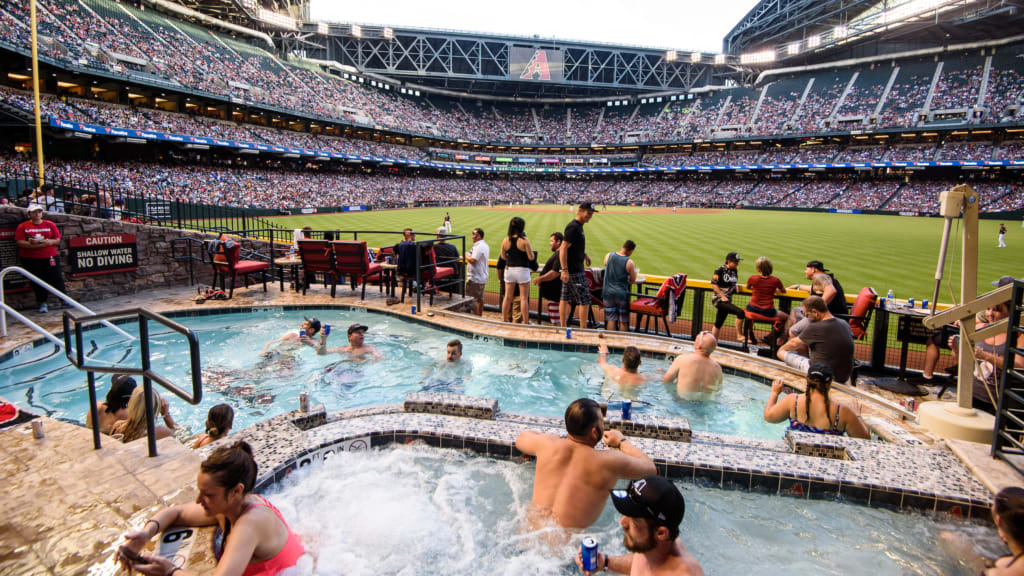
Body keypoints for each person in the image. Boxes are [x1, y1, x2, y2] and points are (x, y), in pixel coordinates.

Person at [117, 441, 304, 576]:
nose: (199, 500)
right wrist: (146, 533)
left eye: (208, 494)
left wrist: (170, 571)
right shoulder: (229, 508)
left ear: (236, 491)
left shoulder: (251, 523)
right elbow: (177, 512)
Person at [515, 398, 656, 530]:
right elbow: (651, 470)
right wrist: (621, 441)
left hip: (528, 534)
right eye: (602, 421)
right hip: (565, 549)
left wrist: (552, 438)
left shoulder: (547, 444)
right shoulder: (610, 461)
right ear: (594, 432)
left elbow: (521, 438)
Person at [574, 475, 705, 576]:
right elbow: (642, 562)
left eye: (634, 520)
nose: (623, 522)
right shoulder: (654, 546)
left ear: (660, 533)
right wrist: (606, 562)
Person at [947, 278, 1024, 414]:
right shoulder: (980, 327)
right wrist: (956, 350)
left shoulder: (1019, 335)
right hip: (973, 396)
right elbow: (961, 361)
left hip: (1000, 402)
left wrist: (985, 356)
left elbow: (1019, 364)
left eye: (997, 310)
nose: (989, 314)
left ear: (1010, 311)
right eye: (988, 309)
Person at [763, 363, 870, 438]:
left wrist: (774, 393)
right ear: (829, 383)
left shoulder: (793, 402)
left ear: (807, 380)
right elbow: (864, 440)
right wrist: (857, 415)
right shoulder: (842, 412)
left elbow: (769, 417)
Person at [777, 296, 855, 384]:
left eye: (807, 315)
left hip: (822, 374)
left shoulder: (816, 327)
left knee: (781, 353)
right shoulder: (844, 323)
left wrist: (781, 349)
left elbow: (794, 343)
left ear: (815, 312)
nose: (807, 318)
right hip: (844, 376)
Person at [15, 203, 65, 313]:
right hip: (31, 258)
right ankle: (42, 303)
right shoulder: (23, 226)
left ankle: (63, 299)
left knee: (56, 277)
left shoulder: (50, 224)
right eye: (34, 212)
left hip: (49, 255)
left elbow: (57, 239)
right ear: (29, 214)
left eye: (39, 212)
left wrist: (48, 242)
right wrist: (38, 244)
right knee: (37, 280)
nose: (37, 214)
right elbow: (20, 242)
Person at [560, 203, 597, 327]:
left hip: (573, 268)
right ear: (580, 211)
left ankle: (562, 327)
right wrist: (564, 270)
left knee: (565, 298)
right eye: (588, 213)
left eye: (591, 214)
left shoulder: (578, 226)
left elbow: (573, 246)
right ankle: (583, 329)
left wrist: (584, 254)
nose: (590, 216)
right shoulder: (574, 227)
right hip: (574, 270)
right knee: (585, 300)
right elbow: (563, 248)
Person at [662, 331, 722, 396]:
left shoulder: (682, 359)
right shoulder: (717, 368)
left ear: (699, 346)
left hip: (682, 402)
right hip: (704, 404)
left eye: (696, 341)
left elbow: (667, 380)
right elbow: (718, 391)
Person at [744, 256, 788, 345]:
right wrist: (773, 290)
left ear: (758, 269)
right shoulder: (775, 280)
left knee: (744, 314)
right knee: (788, 318)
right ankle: (775, 338)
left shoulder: (753, 278)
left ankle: (749, 333)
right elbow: (783, 291)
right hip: (768, 311)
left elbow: (748, 287)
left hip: (752, 308)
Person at [110, 386, 177, 443]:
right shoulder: (159, 432)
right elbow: (180, 437)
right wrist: (166, 415)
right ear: (156, 407)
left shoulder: (117, 426)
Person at [501, 217, 536, 324]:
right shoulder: (524, 240)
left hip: (509, 270)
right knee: (523, 298)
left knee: (507, 296)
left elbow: (503, 256)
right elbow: (531, 257)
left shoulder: (505, 240)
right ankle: (525, 321)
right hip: (522, 270)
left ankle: (504, 319)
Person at [603, 240, 638, 332]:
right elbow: (633, 279)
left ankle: (611, 343)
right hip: (620, 294)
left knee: (611, 319)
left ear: (623, 246)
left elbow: (606, 264)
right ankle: (622, 343)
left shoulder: (608, 255)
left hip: (607, 293)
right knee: (623, 320)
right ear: (631, 251)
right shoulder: (629, 262)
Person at [710, 252, 745, 340]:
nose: (737, 263)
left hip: (727, 300)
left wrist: (735, 286)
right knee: (740, 312)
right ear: (728, 261)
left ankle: (713, 342)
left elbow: (731, 282)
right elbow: (713, 284)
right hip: (719, 300)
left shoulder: (734, 270)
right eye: (735, 262)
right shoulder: (719, 270)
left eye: (738, 262)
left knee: (719, 322)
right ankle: (739, 335)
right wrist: (722, 296)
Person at [533, 232, 564, 316]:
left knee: (556, 318)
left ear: (558, 242)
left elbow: (555, 273)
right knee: (555, 316)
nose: (550, 244)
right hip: (553, 292)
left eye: (551, 241)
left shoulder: (559, 255)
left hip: (554, 293)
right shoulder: (559, 254)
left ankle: (558, 329)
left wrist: (540, 278)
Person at [318, 323, 383, 360]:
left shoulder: (369, 349)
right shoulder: (343, 349)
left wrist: (364, 362)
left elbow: (380, 359)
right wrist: (323, 338)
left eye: (363, 333)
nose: (362, 334)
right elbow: (321, 353)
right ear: (349, 336)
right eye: (358, 332)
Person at [465, 227, 489, 316]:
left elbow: (473, 259)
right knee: (480, 299)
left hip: (475, 277)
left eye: (474, 234)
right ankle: (479, 316)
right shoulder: (483, 245)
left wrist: (466, 256)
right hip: (481, 277)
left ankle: (476, 317)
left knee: (472, 299)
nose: (472, 236)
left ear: (479, 236)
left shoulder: (479, 246)